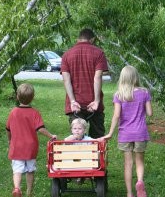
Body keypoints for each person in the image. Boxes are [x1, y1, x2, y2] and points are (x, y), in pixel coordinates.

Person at [100, 65, 153, 197]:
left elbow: (117, 115)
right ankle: (140, 181)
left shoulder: (119, 95)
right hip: (140, 132)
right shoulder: (144, 92)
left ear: (122, 78)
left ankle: (129, 193)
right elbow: (150, 113)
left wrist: (110, 133)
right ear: (136, 77)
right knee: (139, 161)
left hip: (125, 134)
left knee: (128, 164)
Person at [6, 83, 57, 197]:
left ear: (17, 96)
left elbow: (8, 129)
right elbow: (40, 129)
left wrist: (10, 140)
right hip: (31, 146)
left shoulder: (13, 112)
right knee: (30, 170)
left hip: (17, 146)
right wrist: (51, 135)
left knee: (17, 169)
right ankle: (29, 192)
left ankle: (17, 188)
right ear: (33, 97)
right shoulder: (34, 112)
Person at [61, 28, 109, 138]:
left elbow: (66, 79)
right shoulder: (98, 53)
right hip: (93, 103)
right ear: (92, 39)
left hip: (75, 104)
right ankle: (95, 156)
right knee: (98, 137)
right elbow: (98, 77)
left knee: (77, 136)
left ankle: (78, 155)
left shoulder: (67, 55)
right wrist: (96, 100)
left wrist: (72, 101)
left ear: (78, 39)